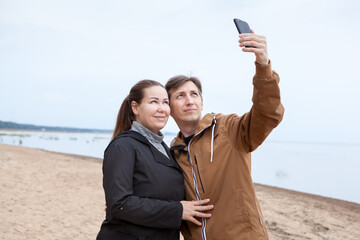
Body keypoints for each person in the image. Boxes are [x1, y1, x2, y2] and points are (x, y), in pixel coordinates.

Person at [165, 32, 285, 239]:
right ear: (169, 107)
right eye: (180, 96)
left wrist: (263, 65)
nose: (190, 101)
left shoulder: (229, 129)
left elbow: (268, 114)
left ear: (202, 103)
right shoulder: (172, 154)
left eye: (194, 94)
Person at [96, 80, 213, 240]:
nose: (161, 108)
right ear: (135, 107)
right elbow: (119, 205)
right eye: (154, 102)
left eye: (165, 102)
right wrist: (178, 210)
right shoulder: (123, 146)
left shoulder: (166, 148)